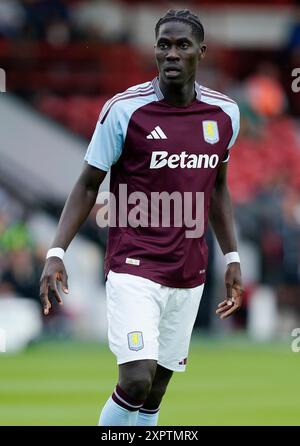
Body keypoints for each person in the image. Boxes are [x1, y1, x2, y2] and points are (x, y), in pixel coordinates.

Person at [39, 9, 243, 426]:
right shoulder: (124, 110)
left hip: (189, 271)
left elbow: (218, 187)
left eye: (182, 45)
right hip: (134, 264)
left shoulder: (225, 115)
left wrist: (233, 257)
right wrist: (57, 250)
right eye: (163, 45)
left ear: (200, 53)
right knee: (135, 379)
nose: (171, 53)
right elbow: (87, 184)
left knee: (154, 392)